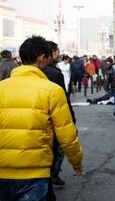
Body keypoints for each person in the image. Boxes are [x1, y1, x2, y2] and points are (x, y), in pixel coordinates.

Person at [0, 36, 83, 201]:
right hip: (35, 171)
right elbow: (66, 134)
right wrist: (76, 161)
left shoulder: (2, 87)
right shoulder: (52, 90)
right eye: (48, 56)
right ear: (41, 57)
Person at [42, 42, 76, 194]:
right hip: (52, 120)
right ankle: (53, 174)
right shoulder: (54, 74)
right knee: (57, 148)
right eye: (57, 51)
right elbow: (63, 103)